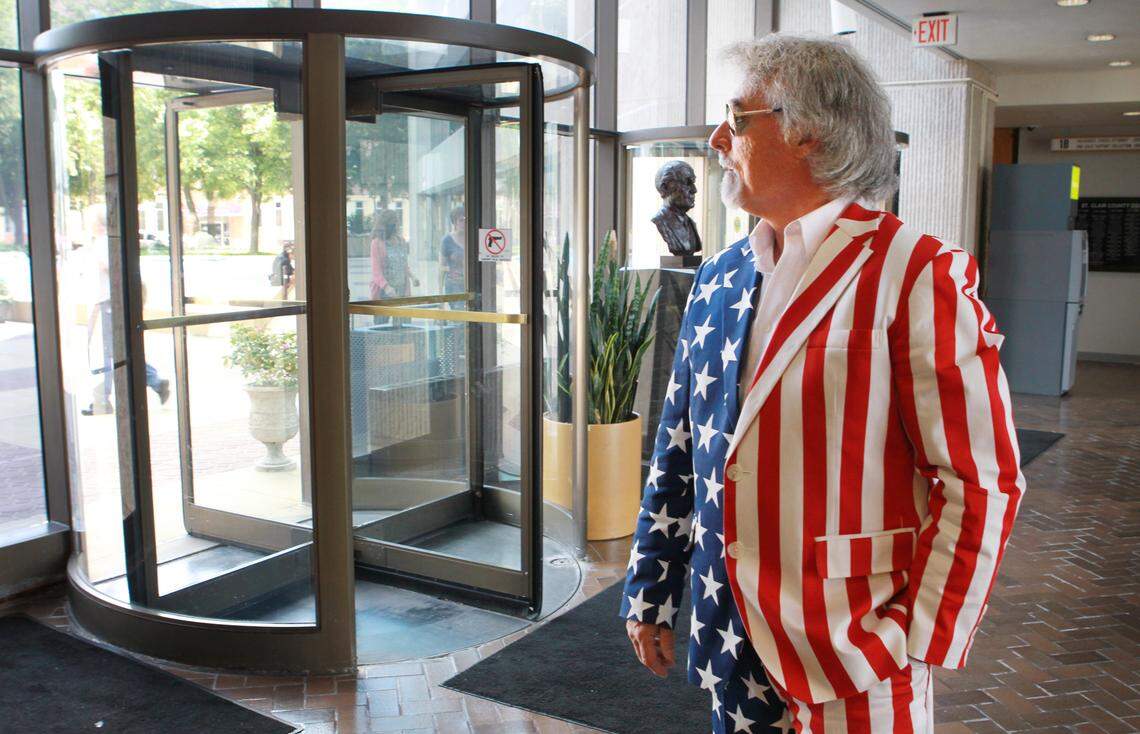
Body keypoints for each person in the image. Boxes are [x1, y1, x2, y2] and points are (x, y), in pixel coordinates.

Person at [620, 34, 1026, 734]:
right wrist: (651, 588)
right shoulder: (717, 279)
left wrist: (912, 638)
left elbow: (981, 480)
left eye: (737, 118)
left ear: (807, 130)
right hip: (729, 646)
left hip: (855, 659)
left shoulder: (916, 273)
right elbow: (679, 446)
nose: (718, 137)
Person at [369, 210, 419, 301]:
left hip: (402, 290)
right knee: (382, 315)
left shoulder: (401, 241)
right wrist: (386, 287)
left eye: (397, 223)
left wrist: (413, 277)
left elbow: (404, 265)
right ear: (386, 225)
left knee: (403, 315)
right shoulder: (376, 243)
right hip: (383, 291)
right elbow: (376, 271)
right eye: (393, 223)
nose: (396, 226)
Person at [440, 205, 466, 308]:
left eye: (466, 220)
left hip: (471, 284)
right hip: (454, 286)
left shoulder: (473, 237)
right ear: (454, 222)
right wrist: (440, 300)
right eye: (461, 220)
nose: (464, 223)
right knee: (459, 318)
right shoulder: (447, 240)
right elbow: (441, 267)